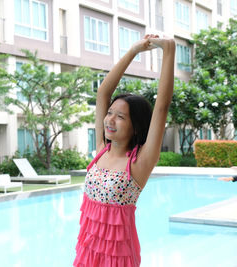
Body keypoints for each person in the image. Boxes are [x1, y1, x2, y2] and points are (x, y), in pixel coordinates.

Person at [73, 35, 175, 267]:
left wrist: (169, 50)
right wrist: (133, 51)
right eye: (109, 113)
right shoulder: (101, 150)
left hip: (118, 257)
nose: (109, 120)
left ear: (136, 126)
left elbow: (162, 106)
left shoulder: (140, 163)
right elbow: (102, 93)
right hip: (88, 248)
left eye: (120, 117)